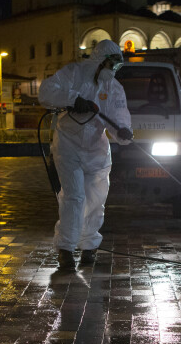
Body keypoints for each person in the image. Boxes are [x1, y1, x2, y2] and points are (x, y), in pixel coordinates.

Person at [39, 40, 133, 269]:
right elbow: (46, 92)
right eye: (112, 65)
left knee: (96, 197)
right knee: (74, 196)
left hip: (96, 148)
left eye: (117, 67)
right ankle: (66, 249)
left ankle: (89, 245)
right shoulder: (73, 73)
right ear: (100, 61)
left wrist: (123, 131)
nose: (113, 71)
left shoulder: (114, 88)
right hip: (68, 145)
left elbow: (118, 116)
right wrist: (73, 99)